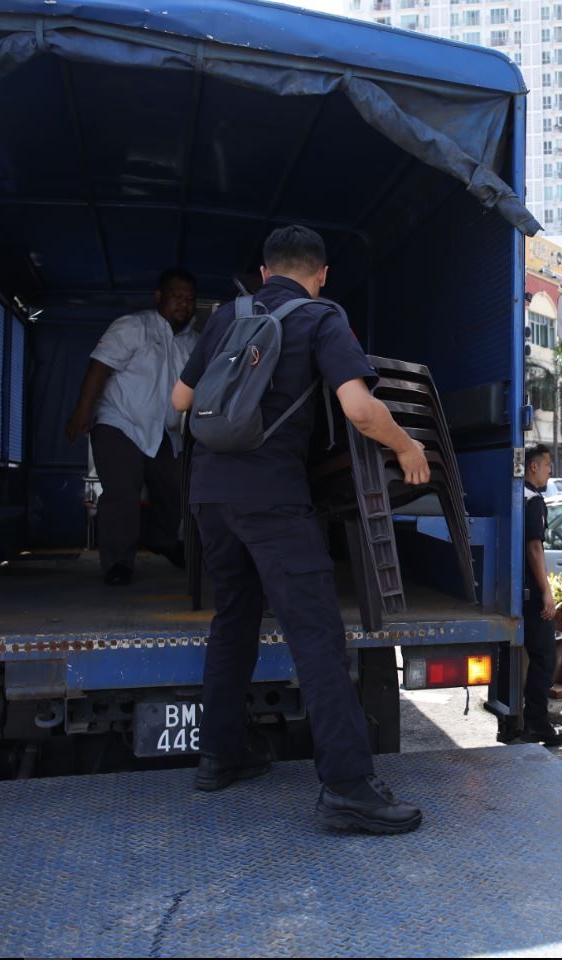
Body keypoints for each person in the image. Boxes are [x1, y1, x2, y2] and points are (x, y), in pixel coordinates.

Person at [171, 225, 428, 834]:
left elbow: (181, 401)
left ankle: (220, 756)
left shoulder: (226, 316)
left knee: (232, 620)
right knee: (315, 636)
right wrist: (407, 445)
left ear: (264, 272)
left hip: (210, 497)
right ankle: (347, 787)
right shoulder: (320, 317)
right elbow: (360, 410)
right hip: (272, 499)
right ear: (321, 273)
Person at [67, 268, 200, 585]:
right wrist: (82, 412)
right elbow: (99, 366)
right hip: (119, 422)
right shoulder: (133, 326)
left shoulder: (195, 343)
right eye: (177, 297)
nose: (183, 304)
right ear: (159, 297)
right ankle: (118, 563)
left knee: (176, 489)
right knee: (122, 493)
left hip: (166, 433)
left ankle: (163, 540)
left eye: (190, 300)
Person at [510, 442, 562, 747]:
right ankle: (537, 723)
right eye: (547, 465)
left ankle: (516, 720)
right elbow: (535, 547)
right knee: (545, 657)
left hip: (511, 590)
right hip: (531, 594)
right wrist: (547, 592)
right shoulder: (533, 500)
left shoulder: (514, 494)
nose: (550, 471)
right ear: (533, 466)